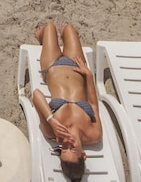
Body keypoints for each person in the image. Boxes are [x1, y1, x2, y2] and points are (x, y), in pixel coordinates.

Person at [32, 22, 102, 182]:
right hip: (76, 66)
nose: (68, 143)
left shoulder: (52, 132)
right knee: (68, 28)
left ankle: (42, 38)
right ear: (83, 155)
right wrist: (88, 75)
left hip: (52, 66)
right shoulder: (94, 134)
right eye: (73, 149)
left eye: (64, 149)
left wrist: (51, 119)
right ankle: (63, 35)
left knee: (49, 26)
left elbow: (36, 95)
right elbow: (93, 103)